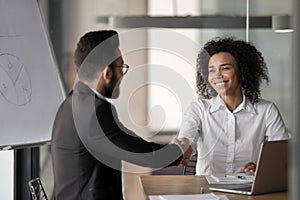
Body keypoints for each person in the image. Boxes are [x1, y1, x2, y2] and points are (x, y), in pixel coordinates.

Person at [51, 30, 191, 200]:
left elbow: (127, 140)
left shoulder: (71, 103)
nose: (122, 76)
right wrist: (179, 150)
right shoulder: (94, 112)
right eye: (121, 67)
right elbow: (143, 154)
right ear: (107, 73)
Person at [177, 37, 289, 176]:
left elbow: (282, 156)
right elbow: (187, 141)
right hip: (207, 191)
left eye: (225, 68)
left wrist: (260, 167)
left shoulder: (266, 111)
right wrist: (181, 149)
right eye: (212, 70)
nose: (217, 75)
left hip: (249, 191)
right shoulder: (199, 108)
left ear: (242, 71)